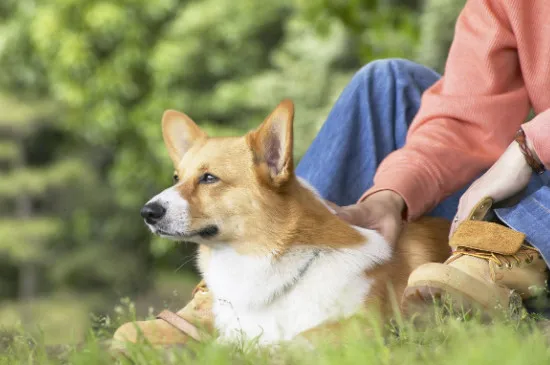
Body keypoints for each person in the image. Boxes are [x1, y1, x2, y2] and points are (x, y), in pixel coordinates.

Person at [111, 0, 550, 348]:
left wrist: (529, 148)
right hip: (503, 180)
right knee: (385, 81)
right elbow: (465, 117)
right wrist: (392, 193)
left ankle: (494, 269)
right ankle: (235, 303)